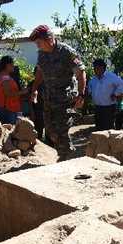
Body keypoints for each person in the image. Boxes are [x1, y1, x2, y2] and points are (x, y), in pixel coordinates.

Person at [28, 25, 86, 161]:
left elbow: (81, 73)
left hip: (65, 98)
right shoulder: (42, 53)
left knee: (61, 130)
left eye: (39, 43)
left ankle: (66, 158)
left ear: (49, 39)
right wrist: (34, 89)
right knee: (50, 131)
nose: (38, 46)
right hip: (49, 97)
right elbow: (40, 72)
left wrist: (81, 94)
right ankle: (64, 153)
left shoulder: (66, 52)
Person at [87, 59, 123, 131]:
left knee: (109, 130)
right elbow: (90, 89)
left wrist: (115, 94)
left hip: (109, 108)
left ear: (102, 68)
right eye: (94, 68)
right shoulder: (93, 79)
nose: (95, 70)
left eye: (97, 68)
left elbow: (121, 83)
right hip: (98, 108)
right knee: (99, 129)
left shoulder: (111, 76)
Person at [0, 56, 28, 125]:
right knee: (10, 132)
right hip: (8, 110)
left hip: (10, 108)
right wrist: (23, 92)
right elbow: (8, 94)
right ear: (7, 65)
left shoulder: (5, 76)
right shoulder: (5, 78)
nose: (14, 66)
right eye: (12, 64)